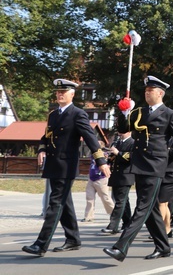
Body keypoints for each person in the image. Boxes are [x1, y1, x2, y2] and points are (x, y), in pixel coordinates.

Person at [103, 76, 173, 262]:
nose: (146, 92)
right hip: (139, 163)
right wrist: (124, 112)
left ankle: (121, 247)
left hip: (155, 164)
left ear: (160, 93)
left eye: (150, 90)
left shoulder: (169, 113)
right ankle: (163, 246)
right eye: (146, 90)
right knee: (151, 208)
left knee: (142, 206)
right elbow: (123, 129)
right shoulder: (139, 112)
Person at [22, 79, 111, 257]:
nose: (59, 94)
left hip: (66, 166)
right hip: (53, 165)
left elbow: (90, 138)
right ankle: (73, 239)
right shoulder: (53, 115)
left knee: (55, 204)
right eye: (58, 92)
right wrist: (41, 148)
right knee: (65, 203)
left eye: (64, 92)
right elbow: (46, 136)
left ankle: (41, 244)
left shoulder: (78, 114)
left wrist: (101, 161)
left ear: (72, 94)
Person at [101, 127, 134, 235]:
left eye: (122, 131)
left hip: (125, 176)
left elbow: (130, 157)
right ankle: (127, 223)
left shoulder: (132, 142)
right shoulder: (118, 142)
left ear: (129, 132)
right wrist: (110, 155)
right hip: (116, 175)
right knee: (123, 201)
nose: (120, 133)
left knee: (120, 201)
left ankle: (113, 226)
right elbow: (113, 158)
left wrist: (117, 153)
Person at [83, 142, 115, 222]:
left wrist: (107, 156)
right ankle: (88, 216)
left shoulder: (105, 154)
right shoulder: (93, 154)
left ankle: (114, 214)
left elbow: (109, 160)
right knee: (89, 198)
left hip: (101, 178)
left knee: (105, 197)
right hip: (92, 178)